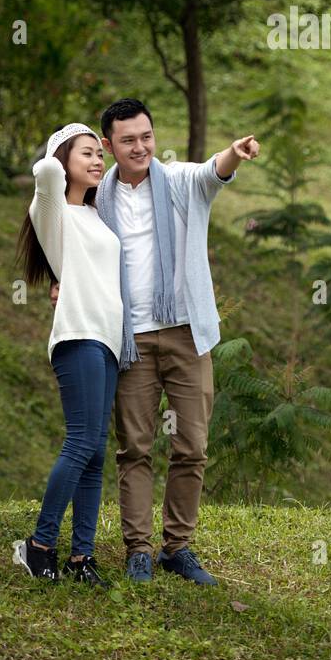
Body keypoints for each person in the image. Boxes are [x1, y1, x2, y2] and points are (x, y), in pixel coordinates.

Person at [91, 98, 258, 585]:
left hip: (187, 333)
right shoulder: (97, 199)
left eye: (146, 136)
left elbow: (213, 172)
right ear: (109, 145)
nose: (140, 147)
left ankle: (177, 547)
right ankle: (138, 549)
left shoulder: (181, 181)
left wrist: (233, 152)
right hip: (130, 340)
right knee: (134, 448)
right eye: (128, 140)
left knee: (191, 445)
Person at [12, 123, 131, 588]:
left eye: (100, 155)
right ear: (65, 158)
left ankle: (83, 558)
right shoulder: (53, 212)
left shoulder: (95, 215)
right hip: (77, 336)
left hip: (107, 341)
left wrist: (83, 151)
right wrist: (69, 145)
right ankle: (39, 546)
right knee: (81, 442)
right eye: (88, 154)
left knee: (96, 454)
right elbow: (44, 172)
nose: (99, 160)